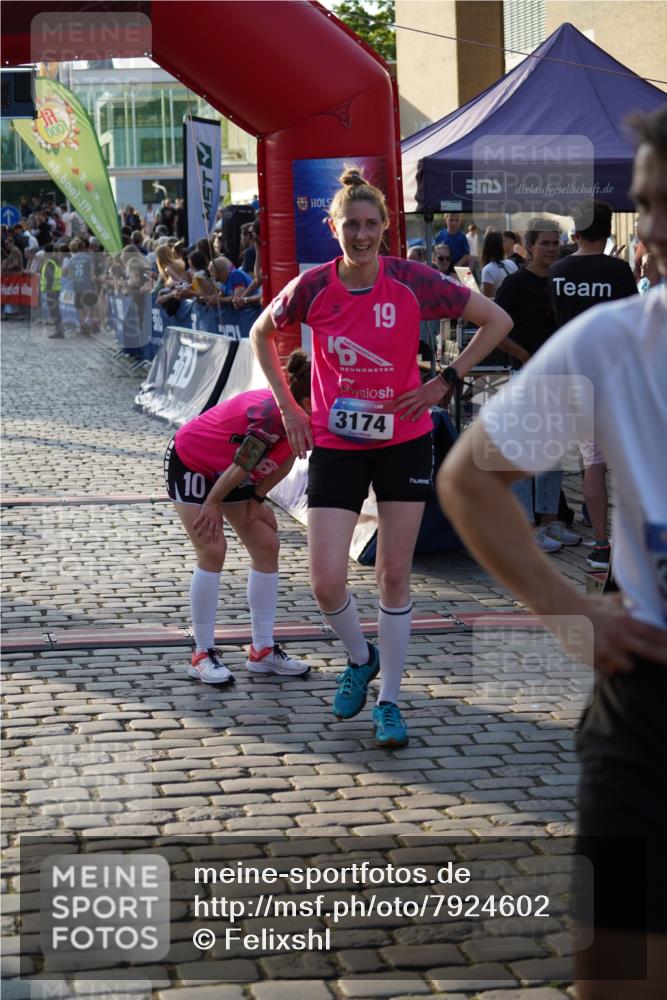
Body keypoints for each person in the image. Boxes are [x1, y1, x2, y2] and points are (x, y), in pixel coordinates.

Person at [437, 104, 667, 1000]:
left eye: (660, 206)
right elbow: (467, 479)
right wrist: (570, 611)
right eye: (643, 205)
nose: (642, 232)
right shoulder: (617, 341)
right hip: (648, 702)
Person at [250, 168, 511, 748]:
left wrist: (445, 380)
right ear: (333, 227)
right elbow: (260, 333)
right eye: (351, 225)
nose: (361, 235)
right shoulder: (314, 286)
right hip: (338, 446)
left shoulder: (413, 281)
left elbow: (498, 321)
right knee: (324, 582)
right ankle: (360, 657)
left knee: (393, 573)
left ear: (386, 228)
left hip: (404, 441)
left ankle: (390, 702)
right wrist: (291, 408)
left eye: (371, 225)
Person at [164, 351, 314, 685]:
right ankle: (201, 653)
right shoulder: (271, 415)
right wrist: (212, 503)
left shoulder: (304, 413)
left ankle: (262, 650)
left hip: (230, 471)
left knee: (266, 545)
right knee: (213, 549)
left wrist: (258, 499)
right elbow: (243, 464)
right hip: (193, 461)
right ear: (306, 399)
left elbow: (290, 456)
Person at [550, 199, 638, 570]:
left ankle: (601, 544)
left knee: (593, 464)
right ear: (606, 232)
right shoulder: (618, 271)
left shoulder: (557, 271)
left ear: (576, 231)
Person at [494, 218, 581, 553]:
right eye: (545, 243)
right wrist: (524, 355)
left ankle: (550, 521)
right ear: (529, 247)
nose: (551, 248)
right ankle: (525, 527)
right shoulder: (515, 284)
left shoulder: (563, 282)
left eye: (555, 242)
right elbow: (494, 328)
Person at [480, 230, 518, 297]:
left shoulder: (488, 270)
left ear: (486, 248)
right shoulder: (512, 264)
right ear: (501, 246)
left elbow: (488, 300)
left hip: (498, 306)